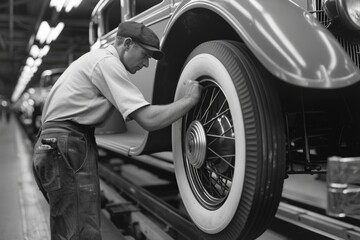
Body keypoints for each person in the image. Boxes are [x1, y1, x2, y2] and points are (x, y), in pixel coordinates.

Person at [32, 21, 202, 240]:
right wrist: (189, 100)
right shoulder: (108, 63)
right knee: (81, 232)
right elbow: (148, 120)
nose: (146, 64)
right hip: (66, 145)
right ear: (127, 44)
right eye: (145, 55)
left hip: (54, 144)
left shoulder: (95, 60)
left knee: (68, 228)